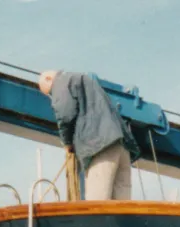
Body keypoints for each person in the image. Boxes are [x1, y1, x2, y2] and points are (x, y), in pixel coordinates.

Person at [39, 70, 141, 201]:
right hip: (121, 145)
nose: (53, 97)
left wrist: (67, 143)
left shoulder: (61, 82)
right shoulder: (84, 81)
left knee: (96, 203)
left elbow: (65, 114)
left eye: (51, 93)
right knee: (122, 205)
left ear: (48, 79)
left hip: (100, 146)